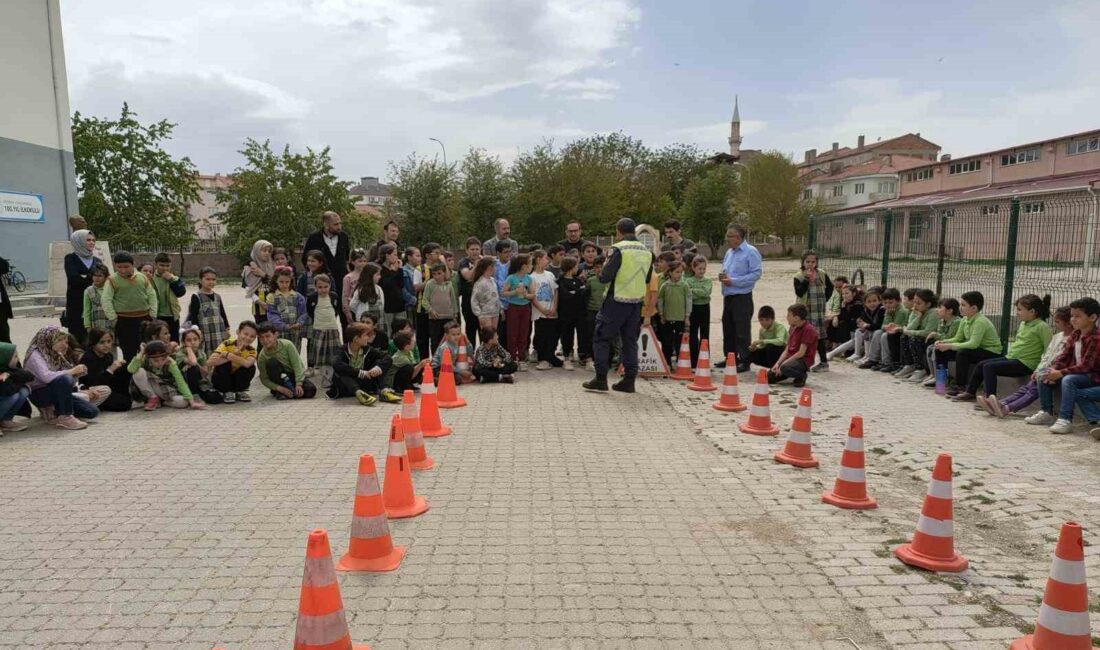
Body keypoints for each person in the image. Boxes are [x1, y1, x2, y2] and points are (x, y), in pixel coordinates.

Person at [583, 218, 654, 393]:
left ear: (618, 231)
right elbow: (646, 278)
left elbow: (606, 276)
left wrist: (599, 275)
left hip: (616, 301)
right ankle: (629, 380)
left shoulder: (618, 249)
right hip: (636, 302)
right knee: (630, 341)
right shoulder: (647, 252)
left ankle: (600, 379)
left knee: (602, 338)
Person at [1025, 297, 1100, 434]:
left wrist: (1060, 373)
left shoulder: (1096, 337)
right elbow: (1064, 357)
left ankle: (1065, 420)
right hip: (1077, 375)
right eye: (1072, 316)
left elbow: (1087, 366)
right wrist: (1054, 369)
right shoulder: (1075, 335)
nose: (1073, 319)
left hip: (1093, 377)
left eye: (1078, 316)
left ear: (1093, 317)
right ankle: (1046, 411)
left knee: (1069, 379)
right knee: (1044, 373)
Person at [982, 306, 1071, 417]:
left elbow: (1065, 360)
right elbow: (1047, 356)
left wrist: (1050, 372)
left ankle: (1008, 408)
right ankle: (1002, 403)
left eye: (1057, 322)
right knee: (1025, 388)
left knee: (1032, 391)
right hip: (1046, 370)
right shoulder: (1057, 336)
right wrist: (1038, 370)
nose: (1055, 325)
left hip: (1057, 372)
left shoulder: (1072, 338)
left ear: (1068, 323)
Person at [23, 326, 99, 429]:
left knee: (92, 411)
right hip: (40, 393)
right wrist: (71, 371)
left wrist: (76, 374)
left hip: (57, 392)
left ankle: (52, 411)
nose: (64, 344)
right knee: (65, 378)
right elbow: (47, 377)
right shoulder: (35, 355)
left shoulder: (56, 354)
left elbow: (70, 382)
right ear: (48, 340)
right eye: (59, 340)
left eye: (66, 341)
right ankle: (65, 417)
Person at [933, 291, 1002, 394]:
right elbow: (958, 338)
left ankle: (960, 385)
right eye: (960, 304)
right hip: (976, 350)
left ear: (974, 308)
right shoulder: (965, 319)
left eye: (963, 305)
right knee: (940, 350)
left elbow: (973, 344)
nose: (960, 307)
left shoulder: (980, 321)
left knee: (963, 353)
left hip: (990, 352)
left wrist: (950, 346)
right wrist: (943, 342)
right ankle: (941, 382)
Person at [718, 224, 762, 373]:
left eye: (729, 236)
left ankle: (745, 360)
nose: (727, 239)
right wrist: (723, 276)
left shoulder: (750, 252)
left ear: (738, 237)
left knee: (742, 331)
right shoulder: (729, 252)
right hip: (728, 295)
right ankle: (730, 358)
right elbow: (726, 269)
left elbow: (756, 274)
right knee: (728, 327)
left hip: (742, 296)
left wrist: (734, 281)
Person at [102, 251, 157, 361]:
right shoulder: (112, 280)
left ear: (133, 264)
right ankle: (129, 375)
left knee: (146, 349)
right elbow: (106, 299)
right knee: (128, 352)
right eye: (119, 267)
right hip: (123, 321)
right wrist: (113, 318)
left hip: (144, 319)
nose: (123, 270)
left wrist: (153, 314)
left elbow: (152, 296)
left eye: (126, 267)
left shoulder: (143, 277)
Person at [328, 322, 396, 405]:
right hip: (346, 387)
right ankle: (359, 393)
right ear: (356, 339)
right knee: (341, 371)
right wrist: (360, 373)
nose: (368, 338)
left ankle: (385, 391)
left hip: (364, 384)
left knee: (379, 363)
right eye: (365, 335)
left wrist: (378, 368)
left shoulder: (367, 349)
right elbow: (336, 364)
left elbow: (387, 358)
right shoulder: (342, 350)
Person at [128, 340, 204, 411]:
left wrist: (191, 401)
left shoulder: (170, 363)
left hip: (165, 390)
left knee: (183, 402)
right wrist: (141, 354)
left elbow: (180, 381)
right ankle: (153, 398)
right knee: (138, 372)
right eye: (155, 360)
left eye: (163, 359)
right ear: (148, 358)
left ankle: (161, 401)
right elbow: (131, 369)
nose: (160, 362)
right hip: (151, 389)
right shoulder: (144, 360)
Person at [792, 249, 833, 372]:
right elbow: (799, 292)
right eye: (808, 261)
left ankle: (823, 362)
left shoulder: (821, 273)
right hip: (805, 309)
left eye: (813, 262)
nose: (810, 264)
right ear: (803, 262)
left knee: (819, 335)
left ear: (816, 262)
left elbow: (830, 288)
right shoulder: (798, 276)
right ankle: (802, 360)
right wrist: (806, 280)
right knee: (804, 334)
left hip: (818, 309)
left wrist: (824, 299)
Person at [301, 211, 350, 307]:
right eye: (336, 224)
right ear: (326, 224)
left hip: (340, 280)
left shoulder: (344, 237)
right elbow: (306, 259)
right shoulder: (314, 238)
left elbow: (346, 257)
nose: (339, 226)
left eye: (340, 223)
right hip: (321, 282)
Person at [256, 323, 316, 400]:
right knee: (272, 363)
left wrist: (299, 384)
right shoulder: (262, 356)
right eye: (261, 338)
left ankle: (290, 391)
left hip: (291, 376)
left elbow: (297, 366)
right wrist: (279, 388)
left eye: (268, 336)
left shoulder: (287, 345)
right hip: (279, 380)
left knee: (311, 390)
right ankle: (281, 391)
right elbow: (264, 379)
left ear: (275, 334)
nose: (265, 340)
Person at [78, 328, 133, 412]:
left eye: (109, 341)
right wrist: (110, 370)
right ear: (94, 344)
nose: (107, 345)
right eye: (102, 342)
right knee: (123, 403)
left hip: (107, 386)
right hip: (93, 390)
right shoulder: (88, 358)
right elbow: (94, 382)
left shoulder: (108, 356)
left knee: (125, 370)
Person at [63, 229, 101, 343]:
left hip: (94, 301)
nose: (91, 243)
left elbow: (103, 279)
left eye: (93, 240)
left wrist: (85, 276)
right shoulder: (71, 258)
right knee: (77, 335)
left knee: (95, 335)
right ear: (78, 241)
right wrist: (92, 278)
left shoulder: (97, 260)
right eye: (88, 240)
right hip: (77, 302)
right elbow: (74, 279)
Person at [208, 320, 259, 403]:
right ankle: (227, 392)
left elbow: (247, 364)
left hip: (236, 379)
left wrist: (228, 355)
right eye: (245, 334)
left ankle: (240, 391)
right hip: (221, 380)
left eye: (252, 336)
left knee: (251, 368)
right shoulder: (227, 343)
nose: (248, 338)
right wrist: (231, 357)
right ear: (238, 332)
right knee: (224, 365)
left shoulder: (251, 350)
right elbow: (210, 362)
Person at [767, 304, 817, 388]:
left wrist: (783, 365)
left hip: (802, 360)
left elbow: (801, 353)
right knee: (769, 377)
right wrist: (778, 364)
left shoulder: (808, 329)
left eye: (789, 315)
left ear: (796, 318)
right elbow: (787, 350)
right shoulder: (794, 328)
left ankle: (801, 375)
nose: (787, 318)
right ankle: (787, 372)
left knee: (785, 368)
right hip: (791, 359)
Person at [893, 289, 939, 379]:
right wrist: (917, 317)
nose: (915, 305)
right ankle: (909, 365)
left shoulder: (933, 313)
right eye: (914, 302)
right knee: (904, 337)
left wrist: (909, 332)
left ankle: (921, 369)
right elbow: (909, 327)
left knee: (914, 339)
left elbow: (927, 332)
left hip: (930, 339)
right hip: (919, 337)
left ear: (928, 304)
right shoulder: (916, 311)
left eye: (918, 303)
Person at [186, 267, 230, 357]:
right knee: (206, 355)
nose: (211, 282)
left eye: (213, 279)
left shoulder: (217, 296)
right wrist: (196, 331)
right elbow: (193, 316)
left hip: (218, 330)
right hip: (204, 332)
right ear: (200, 280)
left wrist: (227, 328)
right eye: (208, 279)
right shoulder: (196, 296)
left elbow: (222, 313)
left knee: (219, 353)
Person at [306, 274, 343, 380]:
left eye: (326, 287)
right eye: (320, 287)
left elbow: (336, 309)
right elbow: (310, 311)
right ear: (315, 287)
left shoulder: (334, 296)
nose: (323, 290)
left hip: (332, 328)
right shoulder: (312, 297)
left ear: (330, 286)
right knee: (320, 350)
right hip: (319, 328)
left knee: (333, 351)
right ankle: (322, 372)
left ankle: (332, 372)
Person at [858, 288, 905, 370]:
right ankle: (873, 359)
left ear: (899, 301)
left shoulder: (901, 311)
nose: (887, 305)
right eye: (885, 302)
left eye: (890, 302)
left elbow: (896, 326)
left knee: (884, 335)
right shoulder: (887, 310)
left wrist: (888, 323)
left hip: (900, 332)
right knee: (878, 332)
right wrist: (886, 325)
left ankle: (886, 362)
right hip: (891, 331)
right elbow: (883, 326)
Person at [530, 250, 562, 370]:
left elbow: (555, 291)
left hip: (552, 311)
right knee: (541, 335)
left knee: (552, 335)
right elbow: (533, 296)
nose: (547, 261)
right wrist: (542, 309)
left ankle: (550, 356)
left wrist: (554, 307)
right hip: (540, 313)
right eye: (545, 258)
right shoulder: (532, 277)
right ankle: (543, 358)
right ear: (538, 259)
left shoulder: (550, 275)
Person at [174, 327, 223, 405]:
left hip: (199, 383)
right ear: (183, 342)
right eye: (188, 340)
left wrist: (206, 365)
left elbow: (204, 374)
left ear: (199, 340)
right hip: (184, 384)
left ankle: (198, 394)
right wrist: (188, 349)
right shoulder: (180, 353)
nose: (193, 342)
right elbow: (193, 362)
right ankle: (194, 395)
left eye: (195, 339)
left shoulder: (201, 353)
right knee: (192, 368)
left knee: (216, 398)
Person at [657, 261, 692, 369]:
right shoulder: (665, 285)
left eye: (681, 272)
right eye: (677, 272)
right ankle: (666, 363)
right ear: (671, 272)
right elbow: (660, 300)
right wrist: (661, 314)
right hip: (667, 319)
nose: (679, 274)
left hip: (680, 319)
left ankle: (680, 363)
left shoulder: (684, 286)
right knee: (666, 342)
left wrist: (687, 316)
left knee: (679, 342)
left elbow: (688, 300)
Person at [919, 298, 961, 386]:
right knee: (930, 347)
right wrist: (937, 337)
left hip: (954, 346)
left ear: (949, 311)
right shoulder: (941, 320)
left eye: (940, 307)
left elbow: (950, 337)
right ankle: (933, 374)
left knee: (936, 350)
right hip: (945, 344)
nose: (937, 310)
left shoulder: (957, 321)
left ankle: (941, 379)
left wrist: (936, 335)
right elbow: (940, 334)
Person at [502, 254, 534, 368]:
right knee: (512, 333)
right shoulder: (511, 278)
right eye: (530, 264)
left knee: (524, 333)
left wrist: (526, 294)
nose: (532, 266)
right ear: (523, 266)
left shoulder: (529, 278)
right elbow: (504, 292)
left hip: (525, 308)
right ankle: (512, 357)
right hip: (513, 307)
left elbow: (532, 294)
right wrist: (514, 292)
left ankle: (522, 358)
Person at [557, 257, 587, 371]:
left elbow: (583, 293)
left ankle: (584, 356)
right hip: (566, 314)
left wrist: (576, 292)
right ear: (570, 267)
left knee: (582, 335)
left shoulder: (578, 280)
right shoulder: (561, 281)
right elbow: (566, 296)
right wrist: (577, 292)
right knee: (567, 335)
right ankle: (566, 357)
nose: (577, 268)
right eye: (576, 266)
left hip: (579, 313)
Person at [150, 253, 187, 342]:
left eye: (167, 266)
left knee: (174, 341)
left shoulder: (174, 278)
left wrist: (171, 280)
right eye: (161, 265)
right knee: (159, 341)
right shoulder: (151, 278)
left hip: (172, 315)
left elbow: (181, 293)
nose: (165, 268)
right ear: (156, 265)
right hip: (157, 315)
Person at [266, 267, 307, 346]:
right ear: (276, 281)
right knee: (281, 353)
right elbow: (272, 315)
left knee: (294, 353)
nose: (284, 284)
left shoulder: (298, 297)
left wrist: (299, 323)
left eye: (287, 282)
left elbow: (303, 313)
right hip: (279, 332)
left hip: (295, 332)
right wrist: (283, 326)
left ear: (291, 281)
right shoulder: (271, 297)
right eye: (281, 282)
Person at [685, 256, 712, 368]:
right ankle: (694, 360)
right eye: (699, 268)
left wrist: (693, 291)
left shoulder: (708, 280)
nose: (701, 271)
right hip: (693, 309)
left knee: (705, 334)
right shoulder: (688, 281)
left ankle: (705, 358)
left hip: (705, 308)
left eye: (703, 269)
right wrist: (697, 292)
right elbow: (688, 294)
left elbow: (706, 292)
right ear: (693, 268)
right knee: (693, 334)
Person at [582, 255, 607, 370]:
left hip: (607, 312)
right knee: (590, 334)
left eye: (602, 267)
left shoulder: (610, 281)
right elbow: (586, 298)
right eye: (596, 267)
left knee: (605, 336)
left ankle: (604, 359)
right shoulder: (591, 281)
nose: (599, 269)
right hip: (592, 311)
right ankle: (589, 358)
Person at [456, 237, 483, 345]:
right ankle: (470, 356)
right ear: (467, 250)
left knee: (483, 331)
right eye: (472, 249)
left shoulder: (484, 260)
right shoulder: (463, 262)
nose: (475, 252)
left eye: (477, 249)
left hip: (483, 301)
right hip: (469, 300)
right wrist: (476, 265)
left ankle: (484, 356)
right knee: (470, 330)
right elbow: (467, 276)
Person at [0, 342, 32, 431]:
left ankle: (6, 421)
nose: (18, 359)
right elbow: (9, 390)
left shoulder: (7, 367)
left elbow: (29, 375)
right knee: (14, 396)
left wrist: (10, 374)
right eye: (15, 357)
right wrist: (20, 381)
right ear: (4, 358)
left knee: (23, 391)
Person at [825, 285, 863, 357]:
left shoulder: (857, 304)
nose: (844, 296)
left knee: (842, 324)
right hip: (849, 322)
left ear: (854, 294)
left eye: (847, 293)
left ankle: (844, 347)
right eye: (843, 294)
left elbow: (847, 318)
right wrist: (836, 317)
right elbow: (843, 315)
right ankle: (832, 343)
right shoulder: (847, 302)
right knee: (832, 321)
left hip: (855, 325)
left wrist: (843, 307)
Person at [244, 240, 275, 324]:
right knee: (262, 333)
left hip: (274, 306)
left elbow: (275, 283)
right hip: (259, 308)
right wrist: (260, 302)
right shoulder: (249, 267)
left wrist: (263, 274)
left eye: (269, 251)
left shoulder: (272, 265)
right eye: (264, 250)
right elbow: (248, 288)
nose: (267, 253)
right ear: (257, 251)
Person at [377, 244, 406, 334]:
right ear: (387, 255)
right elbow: (386, 285)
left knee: (401, 332)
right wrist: (393, 272)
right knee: (388, 332)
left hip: (399, 305)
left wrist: (400, 270)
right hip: (388, 307)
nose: (396, 257)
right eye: (394, 255)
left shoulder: (396, 268)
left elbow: (401, 284)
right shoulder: (380, 269)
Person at [471, 257, 502, 334]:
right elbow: (474, 301)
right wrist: (480, 315)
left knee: (494, 335)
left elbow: (496, 296)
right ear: (489, 267)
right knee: (487, 336)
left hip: (495, 313)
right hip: (485, 314)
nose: (495, 268)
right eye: (494, 266)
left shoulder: (492, 280)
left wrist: (500, 308)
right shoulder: (480, 283)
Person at [82, 263, 112, 338]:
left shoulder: (111, 289)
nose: (96, 278)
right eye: (95, 275)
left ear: (106, 277)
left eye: (100, 276)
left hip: (111, 323)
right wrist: (88, 326)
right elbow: (87, 310)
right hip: (96, 324)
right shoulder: (88, 291)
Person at [342, 249, 370, 324]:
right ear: (353, 262)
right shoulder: (348, 277)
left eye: (364, 261)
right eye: (360, 261)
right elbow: (345, 296)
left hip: (368, 308)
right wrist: (348, 313)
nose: (363, 263)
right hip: (353, 308)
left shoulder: (369, 276)